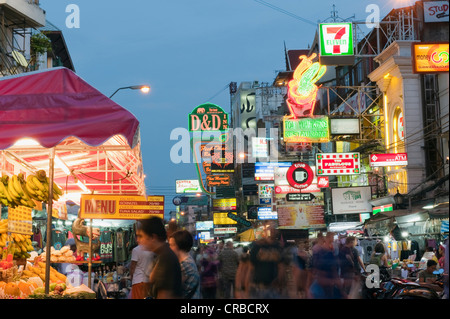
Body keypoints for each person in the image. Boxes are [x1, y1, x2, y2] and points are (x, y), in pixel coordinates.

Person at [136, 217, 182, 299]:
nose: (138, 240)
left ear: (153, 237)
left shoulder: (166, 258)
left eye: (141, 236)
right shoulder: (159, 255)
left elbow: (165, 295)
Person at [169, 230, 201, 299]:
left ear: (179, 245)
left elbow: (170, 289)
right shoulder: (187, 260)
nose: (169, 248)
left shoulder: (185, 265)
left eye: (171, 245)